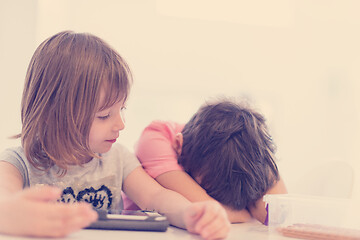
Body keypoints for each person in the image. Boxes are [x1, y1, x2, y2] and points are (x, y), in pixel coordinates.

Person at [0, 31, 230, 239]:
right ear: (53, 113)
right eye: (103, 115)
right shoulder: (18, 163)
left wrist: (190, 213)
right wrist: (13, 214)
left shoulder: (118, 159)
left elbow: (155, 197)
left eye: (121, 110)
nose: (120, 124)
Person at [123, 99, 287, 224]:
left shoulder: (240, 155)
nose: (221, 200)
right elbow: (207, 208)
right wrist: (243, 212)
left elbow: (273, 215)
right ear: (179, 145)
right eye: (207, 189)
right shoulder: (156, 138)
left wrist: (262, 160)